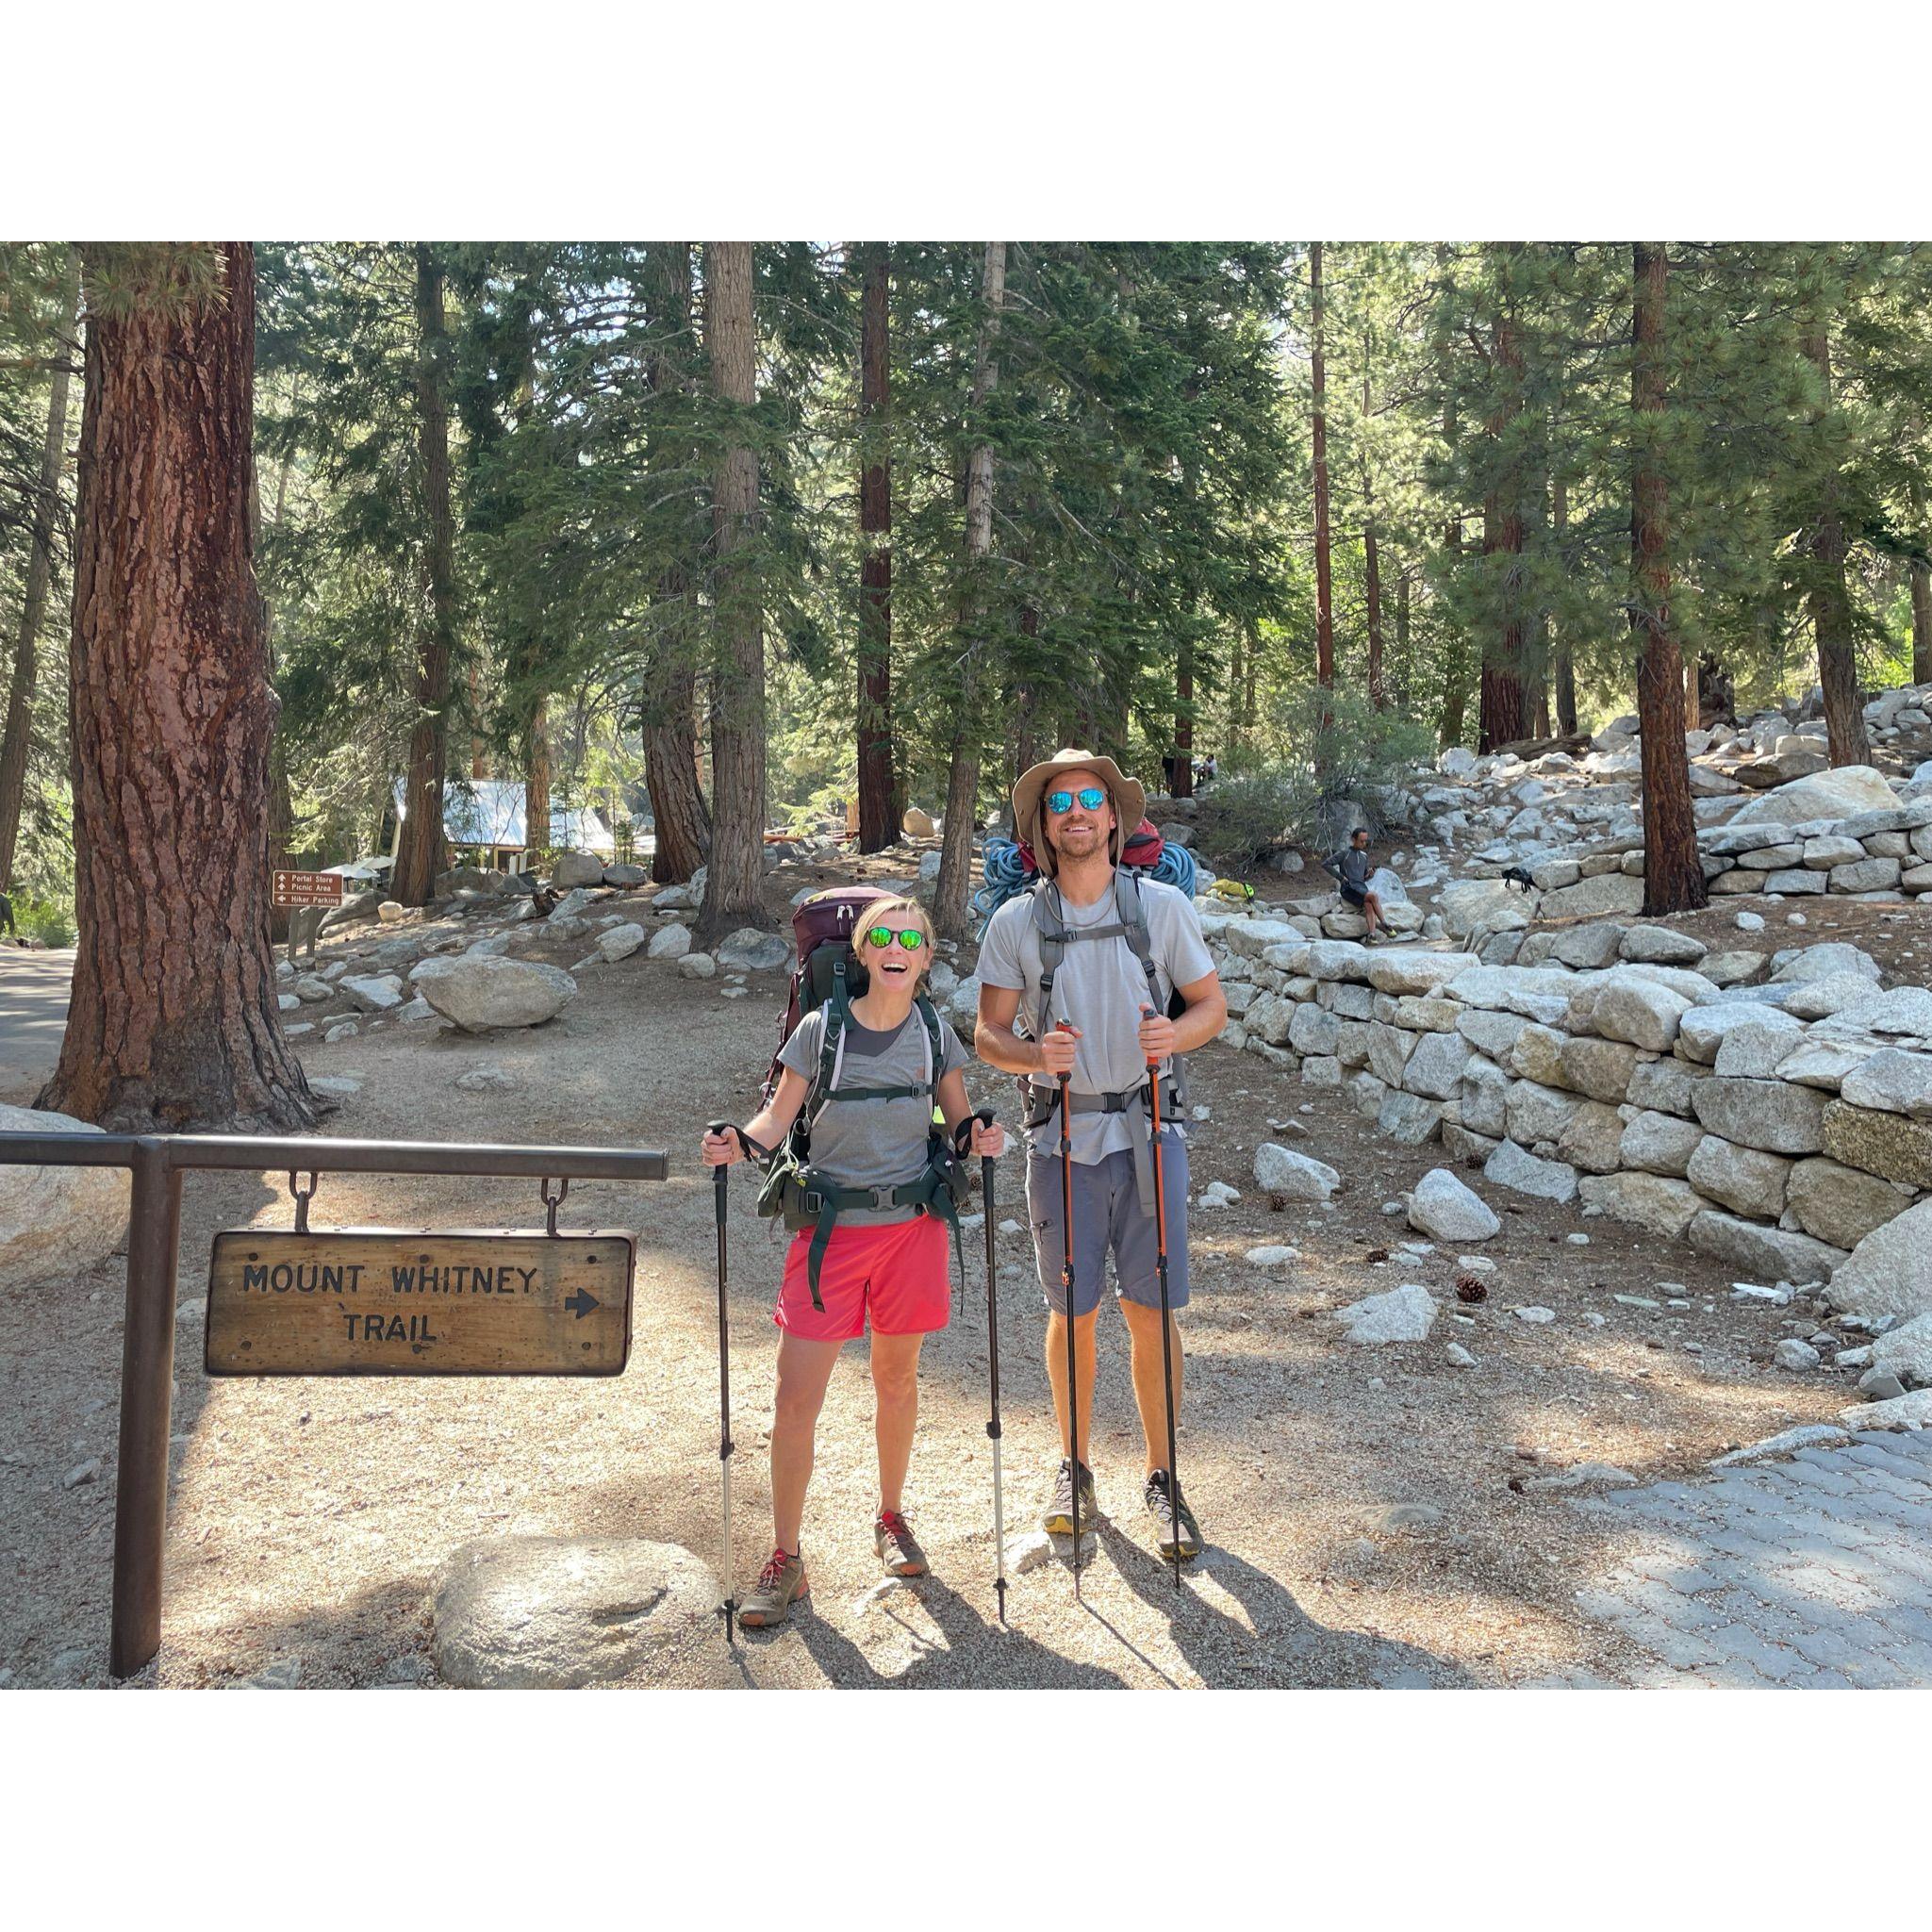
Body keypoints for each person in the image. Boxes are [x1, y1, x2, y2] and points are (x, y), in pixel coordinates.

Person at [701, 896, 1004, 1627]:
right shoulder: (819, 1029)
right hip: (831, 1235)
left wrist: (978, 1139)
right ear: (864, 954)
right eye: (883, 939)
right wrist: (738, 1142)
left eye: (912, 939)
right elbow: (777, 1118)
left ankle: (891, 1515)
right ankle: (785, 1557)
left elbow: (956, 1118)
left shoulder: (935, 1031)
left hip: (911, 1232)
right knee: (794, 1399)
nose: (897, 949)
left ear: (927, 958)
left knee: (897, 1379)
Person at [975, 751, 1228, 1561]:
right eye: (1060, 804)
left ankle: (1163, 1476)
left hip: (1150, 1134)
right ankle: (1073, 1466)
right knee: (1072, 1311)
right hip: (1061, 1140)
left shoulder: (1160, 908)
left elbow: (1212, 1007)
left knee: (1152, 1313)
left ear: (1114, 818)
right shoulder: (1015, 922)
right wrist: (1031, 1056)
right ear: (1042, 828)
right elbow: (987, 1034)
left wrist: (1175, 1034)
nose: (1077, 812)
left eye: (1091, 800)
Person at [1322, 825, 1384, 942]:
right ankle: (1385, 922)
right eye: (1361, 841)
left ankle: (1372, 935)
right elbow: (1325, 864)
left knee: (1369, 904)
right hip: (1348, 888)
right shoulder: (1344, 853)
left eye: (1365, 841)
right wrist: (1340, 877)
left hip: (1360, 888)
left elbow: (1363, 877)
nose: (1364, 844)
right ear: (1353, 839)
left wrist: (1369, 874)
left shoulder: (1364, 856)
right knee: (1373, 896)